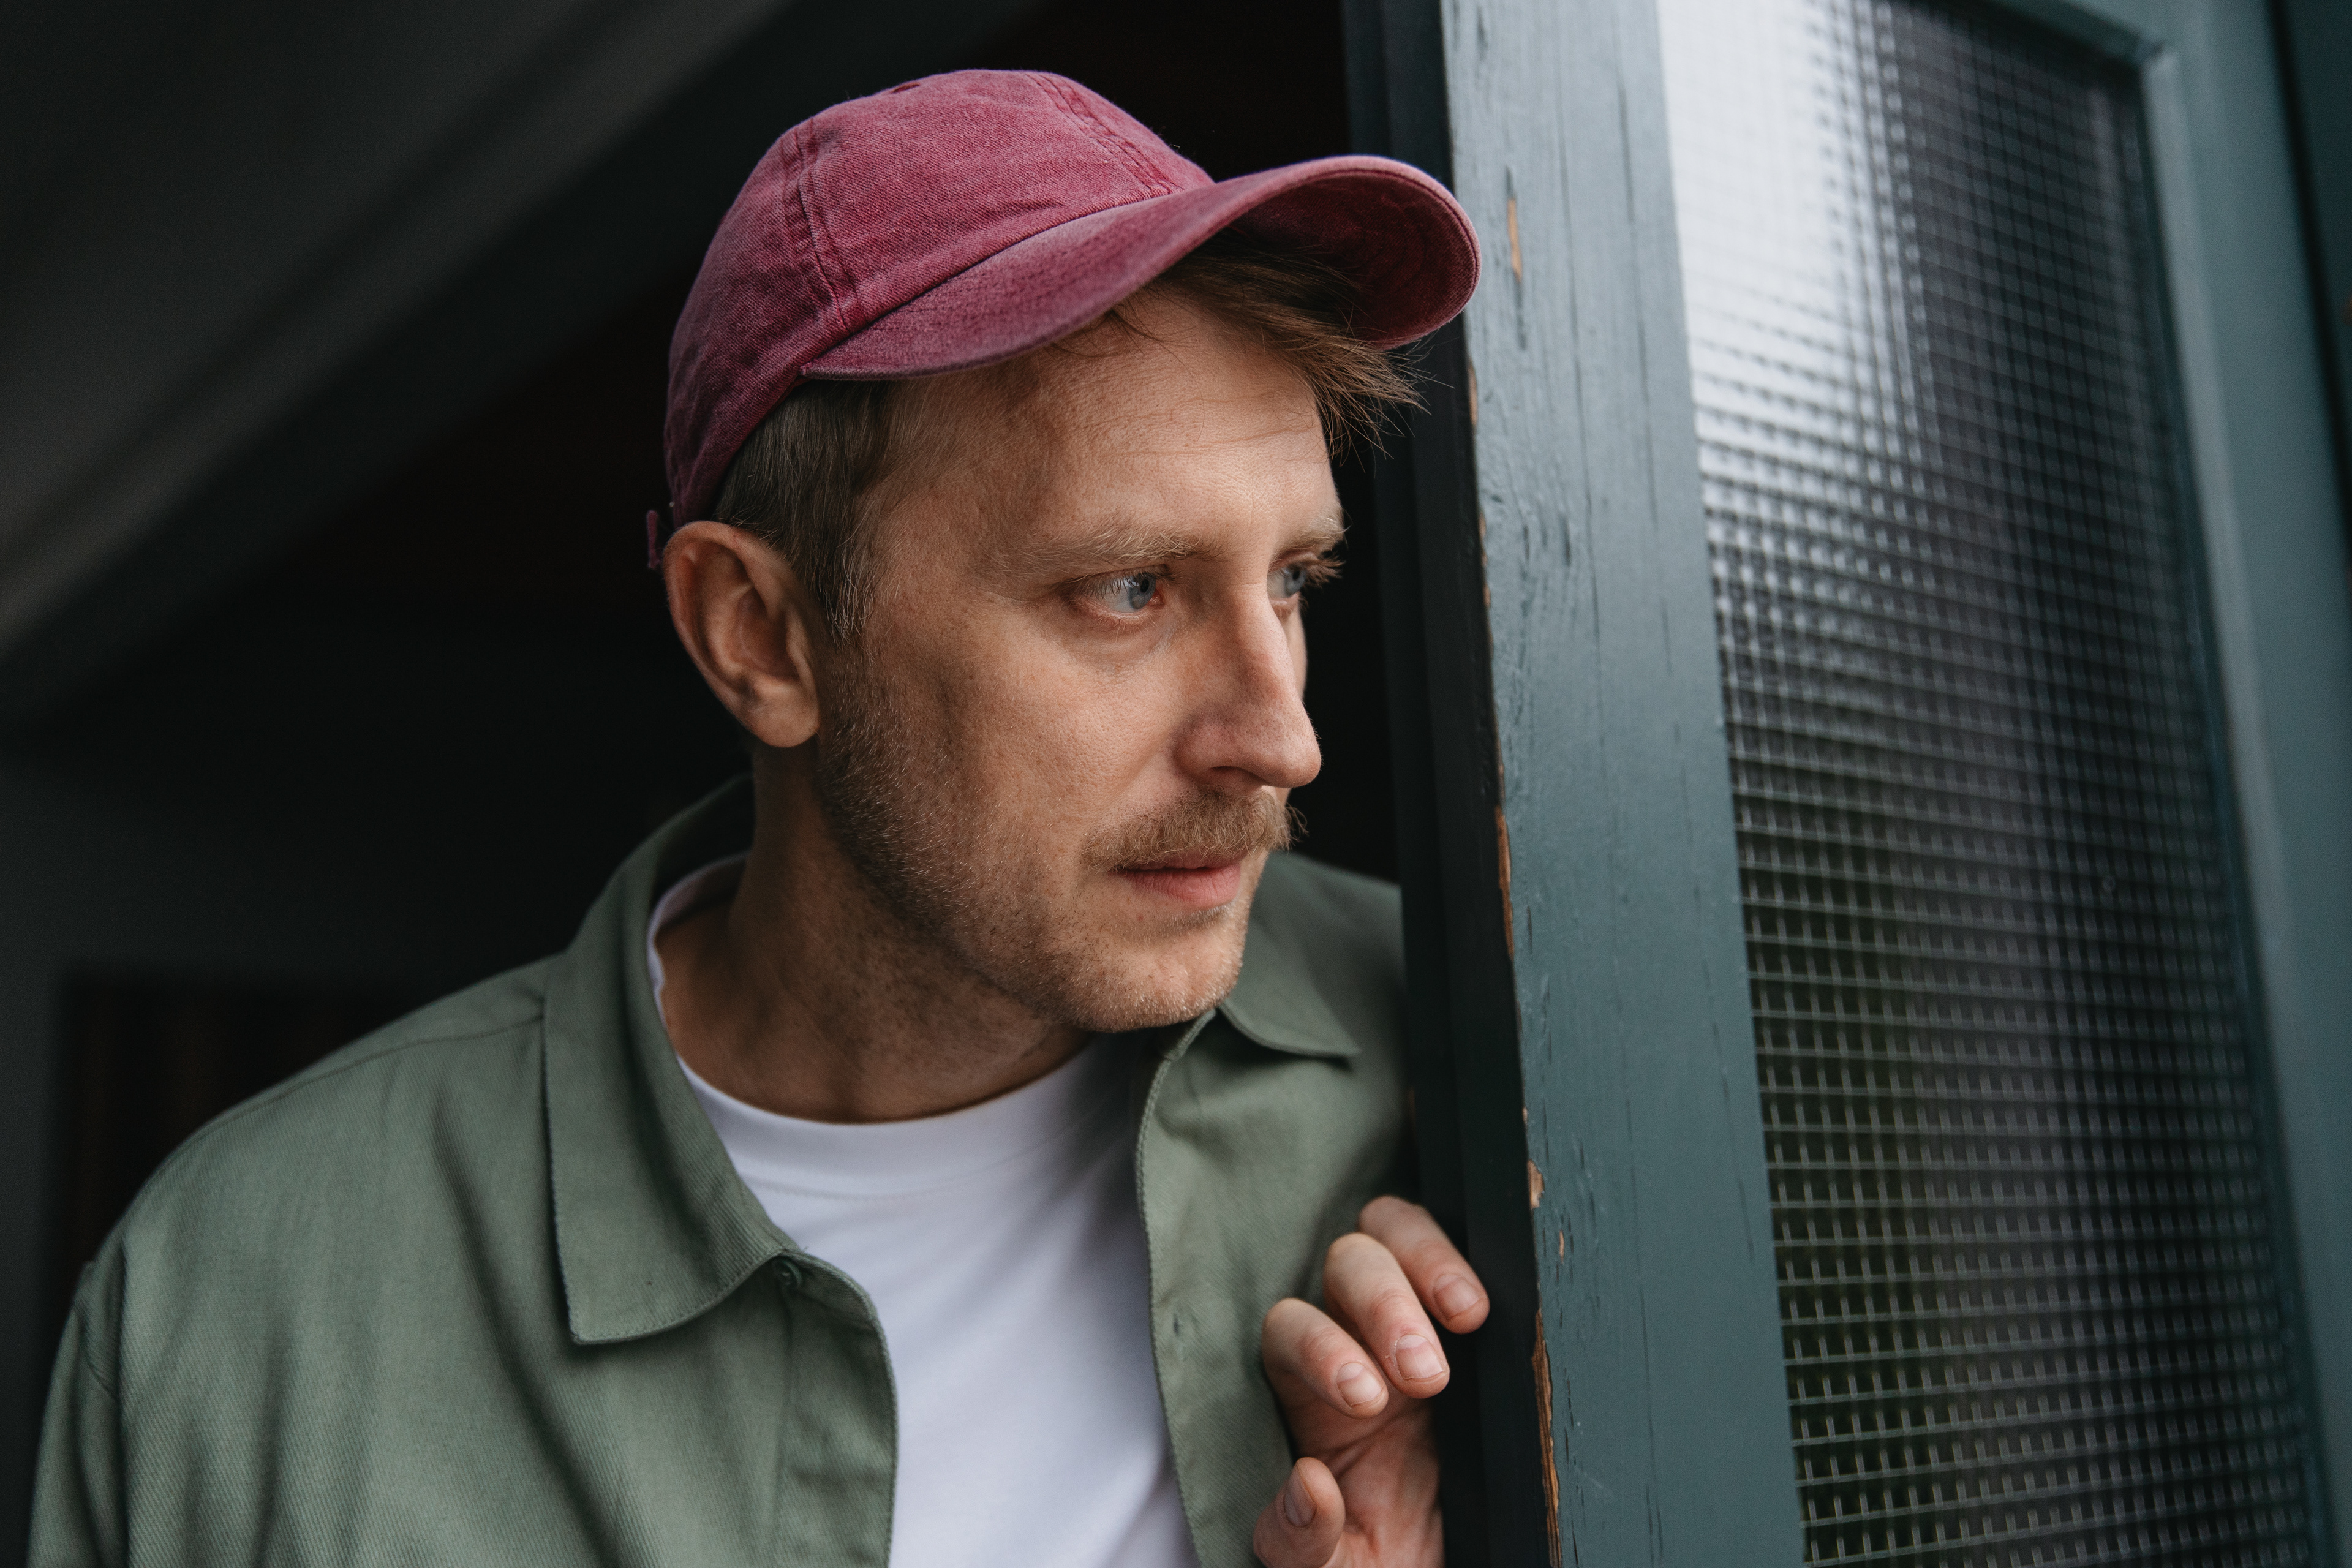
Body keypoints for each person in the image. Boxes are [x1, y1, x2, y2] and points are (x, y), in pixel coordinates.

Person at [30, 70, 1488, 1568]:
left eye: (1292, 580)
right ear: (761, 635)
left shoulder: (1474, 1063)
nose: (1284, 739)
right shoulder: (241, 1297)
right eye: (1128, 588)